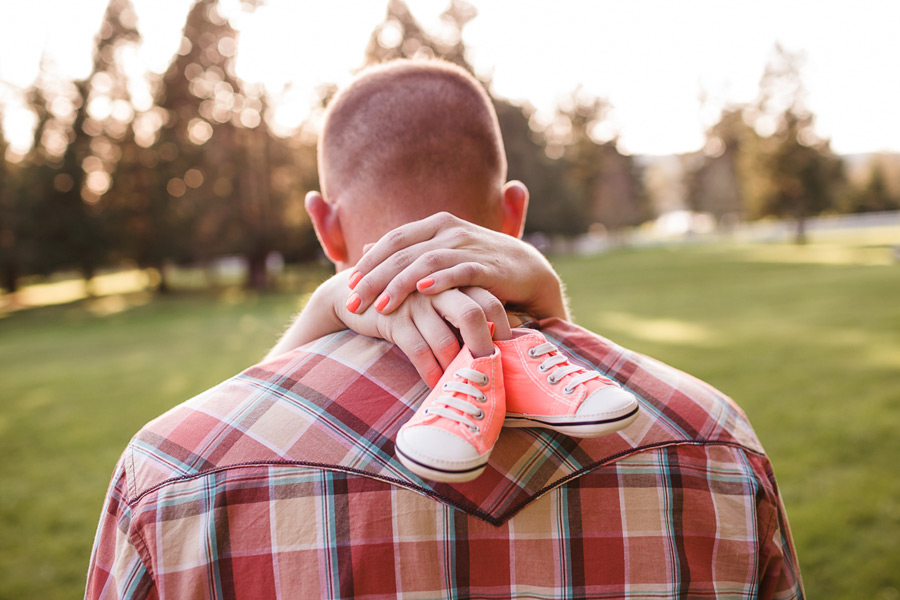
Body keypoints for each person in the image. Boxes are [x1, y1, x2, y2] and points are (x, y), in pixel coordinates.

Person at [85, 59, 803, 598]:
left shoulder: (170, 474)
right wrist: (551, 314)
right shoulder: (715, 441)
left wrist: (320, 314)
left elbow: (243, 423)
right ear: (513, 214)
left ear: (324, 226)